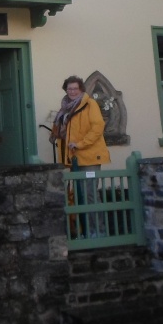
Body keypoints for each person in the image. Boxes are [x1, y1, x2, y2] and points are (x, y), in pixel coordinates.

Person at [51, 75, 110, 236]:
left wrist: (80, 144)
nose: (72, 91)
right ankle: (85, 230)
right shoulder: (66, 108)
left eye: (75, 88)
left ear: (81, 89)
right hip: (74, 158)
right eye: (69, 89)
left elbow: (98, 127)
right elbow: (67, 131)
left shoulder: (89, 104)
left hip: (90, 156)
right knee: (79, 195)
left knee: (90, 194)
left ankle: (98, 231)